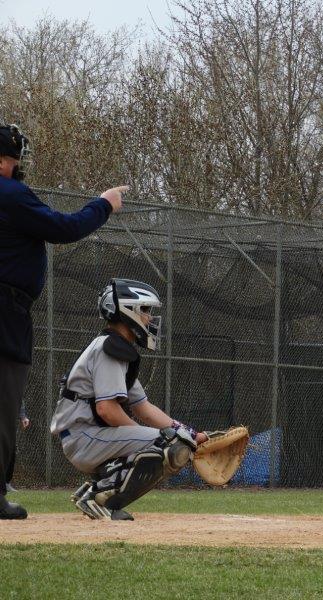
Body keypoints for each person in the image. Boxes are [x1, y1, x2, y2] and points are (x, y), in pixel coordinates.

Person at [0, 123, 127, 520]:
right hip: (5, 313)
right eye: (9, 161)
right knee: (3, 406)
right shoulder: (10, 194)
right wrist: (103, 204)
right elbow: (63, 228)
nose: (13, 169)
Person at [49, 279, 208, 521]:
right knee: (168, 445)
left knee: (175, 440)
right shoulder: (109, 349)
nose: (149, 318)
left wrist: (187, 432)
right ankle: (97, 496)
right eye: (144, 310)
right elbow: (107, 410)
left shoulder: (117, 349)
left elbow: (144, 408)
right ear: (127, 311)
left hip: (86, 437)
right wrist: (153, 440)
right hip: (84, 438)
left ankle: (96, 489)